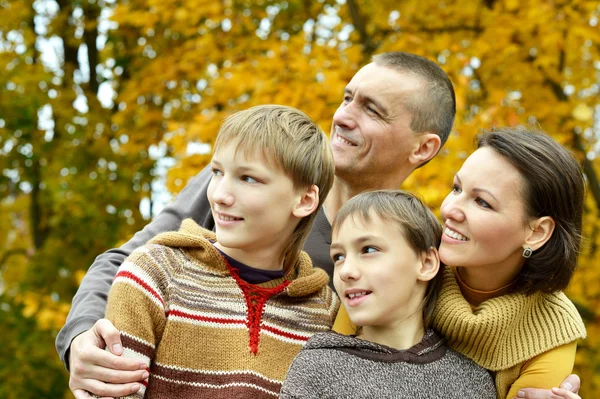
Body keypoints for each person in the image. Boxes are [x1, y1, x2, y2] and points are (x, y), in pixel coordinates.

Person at [57, 51, 580, 398]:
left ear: (423, 148)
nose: (344, 116)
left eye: (371, 109)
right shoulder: (257, 181)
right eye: (347, 97)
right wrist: (82, 340)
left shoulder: (414, 244)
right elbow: (125, 262)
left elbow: (457, 338)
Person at [99, 105, 339, 398]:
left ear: (303, 200)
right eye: (217, 172)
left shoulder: (326, 313)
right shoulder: (154, 275)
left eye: (248, 178)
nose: (220, 195)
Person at [333, 127, 587, 399]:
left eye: (482, 202)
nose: (449, 209)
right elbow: (331, 369)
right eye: (456, 188)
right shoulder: (400, 267)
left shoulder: (551, 329)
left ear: (536, 232)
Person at [280, 190, 496, 398]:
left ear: (426, 263)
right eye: (338, 257)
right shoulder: (317, 369)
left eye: (369, 250)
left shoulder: (472, 380)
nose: (345, 271)